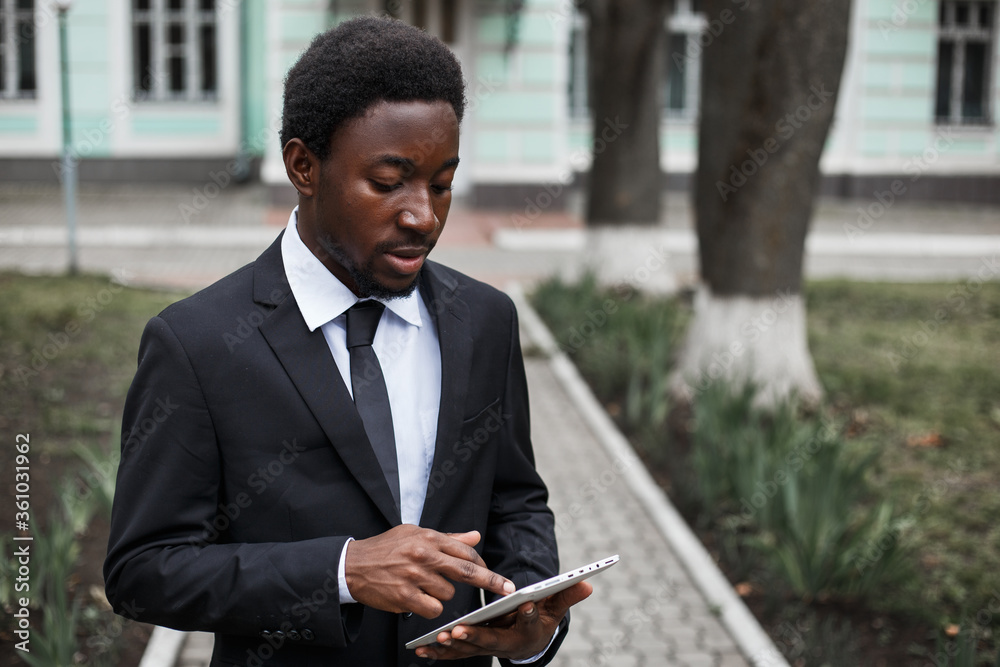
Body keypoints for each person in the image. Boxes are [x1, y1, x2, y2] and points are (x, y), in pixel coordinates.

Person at [104, 15, 591, 667]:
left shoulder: (486, 318)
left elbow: (514, 497)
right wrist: (341, 569)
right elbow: (144, 569)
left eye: (442, 183)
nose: (423, 214)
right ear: (304, 167)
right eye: (389, 183)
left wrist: (528, 617)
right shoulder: (197, 343)